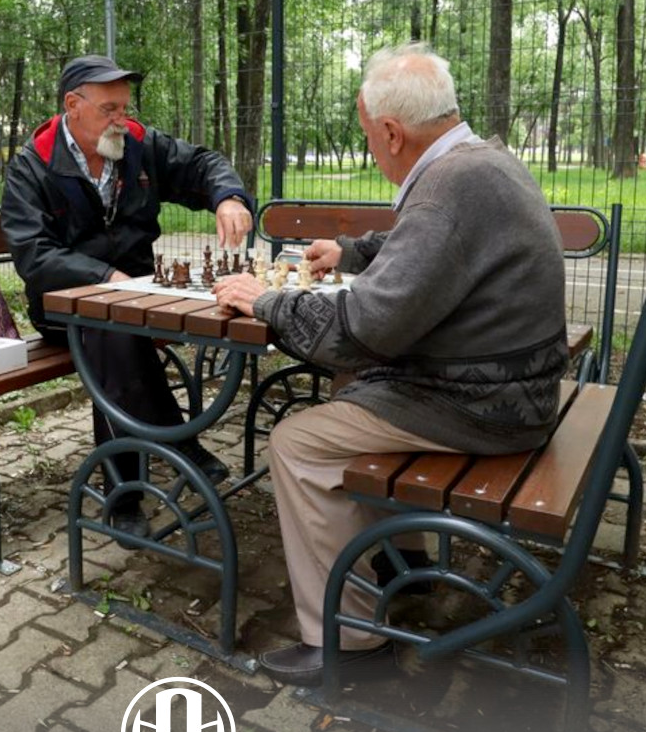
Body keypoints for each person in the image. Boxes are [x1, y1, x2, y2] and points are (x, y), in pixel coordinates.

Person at [214, 43, 568, 686]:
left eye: (368, 137)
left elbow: (362, 330)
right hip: (516, 387)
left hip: (486, 408)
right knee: (353, 389)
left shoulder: (448, 189)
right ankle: (406, 560)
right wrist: (352, 253)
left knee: (298, 441)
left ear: (392, 132)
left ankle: (350, 644)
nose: (372, 149)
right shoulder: (482, 160)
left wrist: (265, 300)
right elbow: (429, 248)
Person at [2, 54, 253, 542]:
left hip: (140, 296)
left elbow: (202, 164)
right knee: (108, 325)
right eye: (109, 109)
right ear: (72, 105)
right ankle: (150, 469)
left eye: (124, 107)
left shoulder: (137, 145)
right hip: (63, 306)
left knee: (120, 322)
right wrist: (105, 277)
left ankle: (149, 467)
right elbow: (34, 255)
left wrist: (228, 196)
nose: (121, 119)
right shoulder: (32, 166)